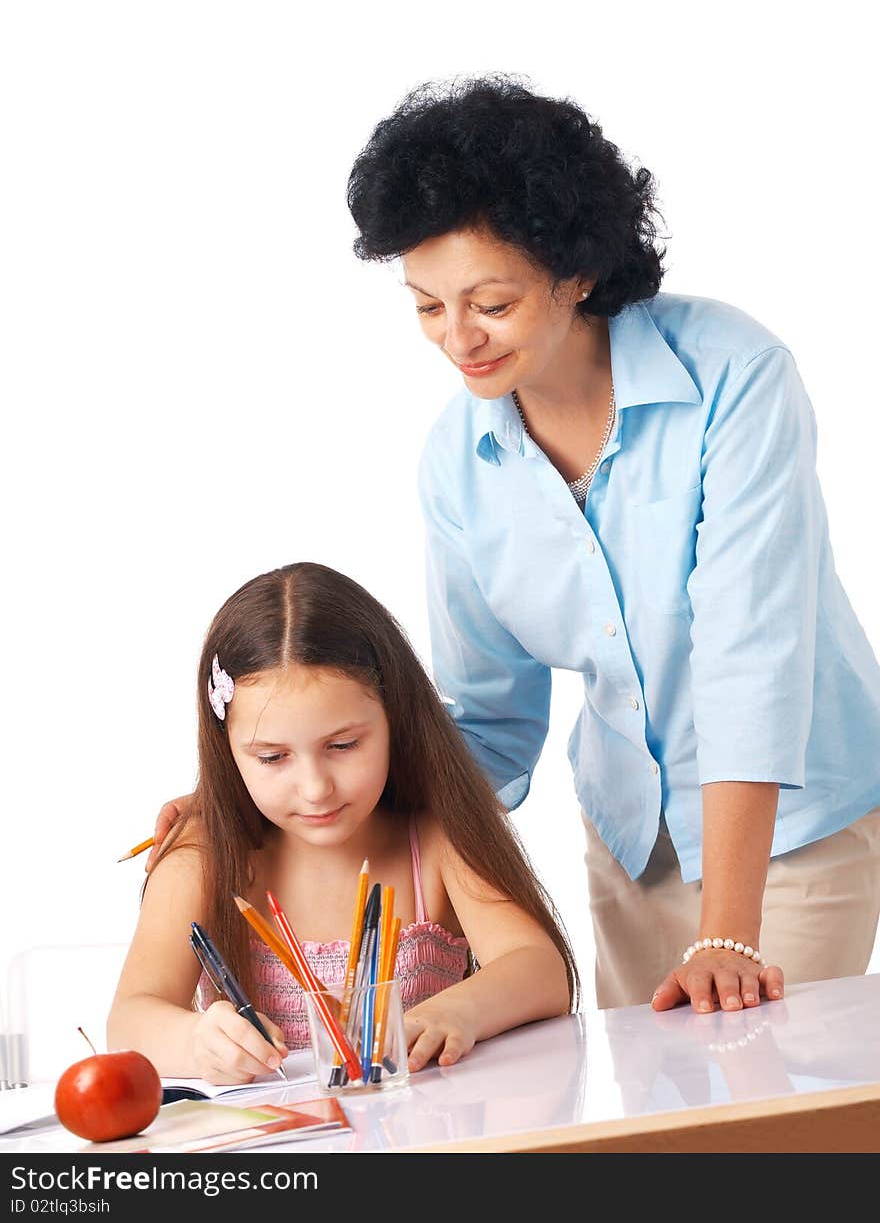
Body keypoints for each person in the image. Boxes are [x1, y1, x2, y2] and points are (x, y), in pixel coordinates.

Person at [151, 75, 880, 1017]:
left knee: (769, 1125)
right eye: (425, 307)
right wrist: (265, 800)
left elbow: (751, 657)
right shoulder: (460, 461)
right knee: (661, 1145)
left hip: (789, 830)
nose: (457, 338)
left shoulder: (733, 376)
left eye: (488, 302)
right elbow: (483, 721)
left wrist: (728, 932)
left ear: (575, 272)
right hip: (631, 840)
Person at [109, 562, 577, 1084]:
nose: (315, 788)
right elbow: (129, 1020)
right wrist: (197, 1043)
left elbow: (540, 968)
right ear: (227, 752)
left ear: (394, 719)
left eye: (343, 745)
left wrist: (456, 1012)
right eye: (271, 758)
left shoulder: (434, 839)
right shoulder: (203, 854)